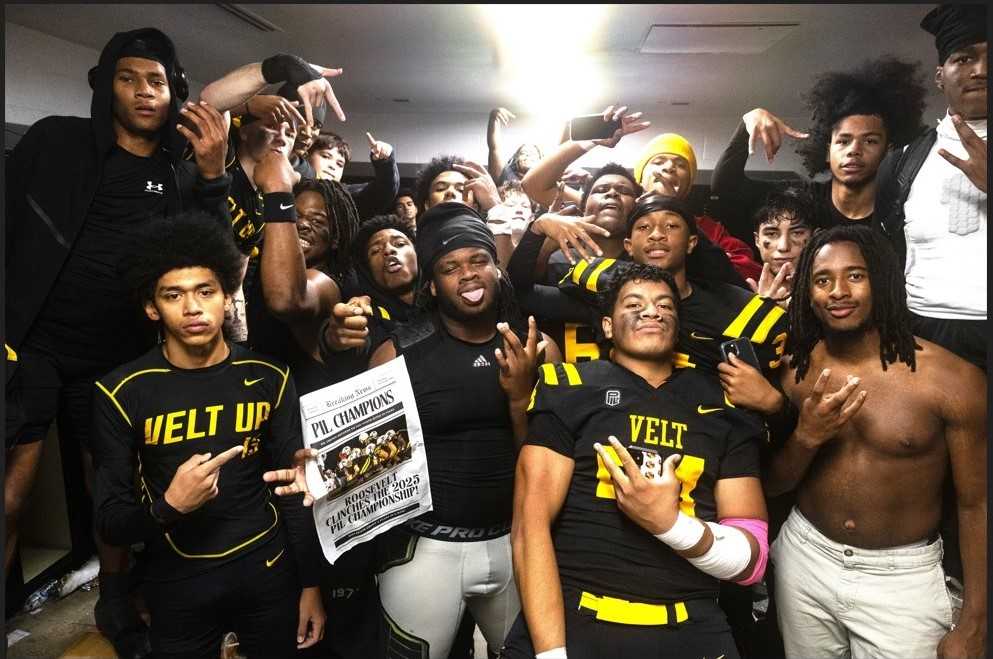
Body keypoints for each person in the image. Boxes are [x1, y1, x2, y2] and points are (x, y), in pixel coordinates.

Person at [4, 27, 231, 656]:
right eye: (128, 78)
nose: (143, 91)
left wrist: (214, 173)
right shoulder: (55, 140)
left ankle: (114, 596)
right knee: (12, 494)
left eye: (156, 81)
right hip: (32, 345)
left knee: (112, 486)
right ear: (107, 86)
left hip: (115, 358)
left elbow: (217, 261)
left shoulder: (180, 172)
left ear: (173, 92)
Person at [267, 202, 561, 658]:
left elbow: (548, 465)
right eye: (450, 267)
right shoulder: (398, 352)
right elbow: (369, 448)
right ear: (432, 284)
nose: (467, 274)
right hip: (425, 548)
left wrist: (521, 398)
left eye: (478, 260)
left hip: (516, 542)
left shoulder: (535, 347)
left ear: (498, 270)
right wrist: (325, 474)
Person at [504, 264, 768, 659]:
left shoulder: (723, 405)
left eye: (665, 305)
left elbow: (753, 561)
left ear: (677, 326)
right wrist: (551, 654)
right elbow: (530, 527)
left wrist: (671, 525)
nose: (651, 311)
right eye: (634, 304)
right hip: (577, 617)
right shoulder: (569, 388)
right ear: (607, 326)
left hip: (689, 626)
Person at [91, 213, 325, 658]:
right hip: (178, 582)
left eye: (205, 291)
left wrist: (310, 584)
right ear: (151, 307)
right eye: (173, 295)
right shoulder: (120, 392)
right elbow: (109, 520)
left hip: (268, 569)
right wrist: (169, 507)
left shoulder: (270, 376)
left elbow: (293, 489)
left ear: (227, 298)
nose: (192, 308)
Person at [766, 225, 986, 658]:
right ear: (807, 292)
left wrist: (977, 621)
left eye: (855, 275)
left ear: (882, 281)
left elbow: (977, 504)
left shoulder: (954, 381)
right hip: (805, 556)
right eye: (823, 279)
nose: (838, 291)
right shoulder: (794, 368)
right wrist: (807, 437)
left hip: (902, 579)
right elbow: (772, 484)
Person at [875, 3, 986, 373]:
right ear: (941, 75)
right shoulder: (904, 161)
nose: (981, 70)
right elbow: (885, 252)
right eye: (964, 58)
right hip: (923, 333)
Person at [712, 57, 928, 238]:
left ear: (888, 150)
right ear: (827, 151)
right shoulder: (804, 198)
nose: (854, 150)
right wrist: (748, 123)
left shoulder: (901, 211)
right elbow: (725, 186)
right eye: (843, 141)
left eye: (870, 141)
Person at [633, 132, 762, 282]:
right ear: (640, 178)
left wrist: (675, 210)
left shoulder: (709, 229)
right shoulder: (622, 220)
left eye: (681, 165)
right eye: (658, 162)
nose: (669, 167)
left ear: (688, 184)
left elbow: (748, 272)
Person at [748, 187, 819, 308]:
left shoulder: (830, 294)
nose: (783, 247)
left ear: (814, 237)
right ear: (757, 240)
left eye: (797, 233)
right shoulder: (742, 291)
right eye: (771, 234)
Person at [307, 130, 401, 220]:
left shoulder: (345, 198)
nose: (332, 166)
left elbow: (383, 191)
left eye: (339, 164)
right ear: (307, 155)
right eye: (326, 156)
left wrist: (384, 162)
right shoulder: (297, 182)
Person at [486, 106, 543, 185]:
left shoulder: (546, 181)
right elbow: (494, 148)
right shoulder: (504, 175)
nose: (527, 157)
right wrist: (493, 119)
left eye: (532, 155)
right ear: (516, 160)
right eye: (524, 154)